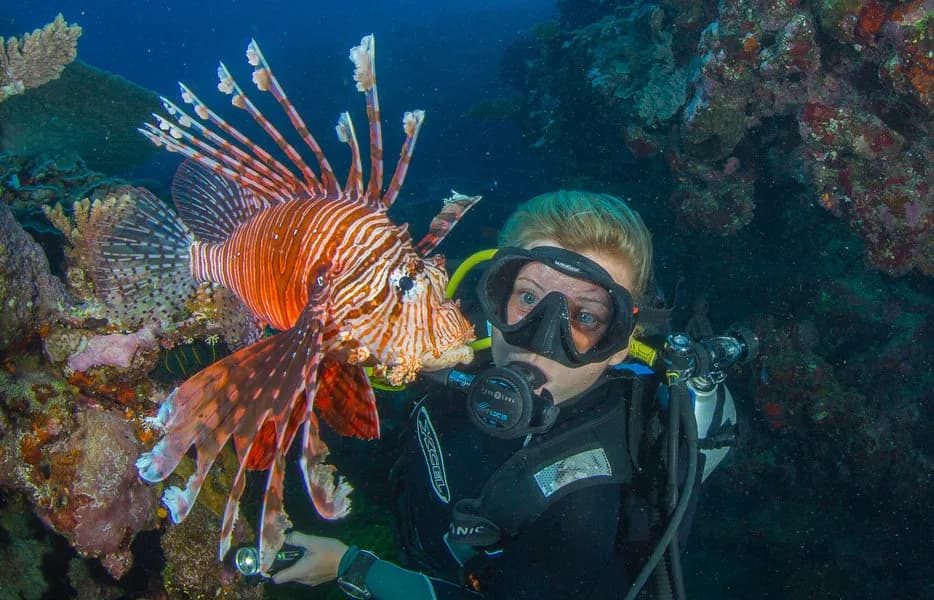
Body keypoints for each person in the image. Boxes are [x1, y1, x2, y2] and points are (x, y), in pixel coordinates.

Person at [270, 190, 737, 599]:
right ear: (497, 295)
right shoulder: (449, 357)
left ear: (619, 344)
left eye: (585, 318)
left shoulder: (600, 493)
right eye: (529, 299)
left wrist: (353, 568)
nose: (539, 338)